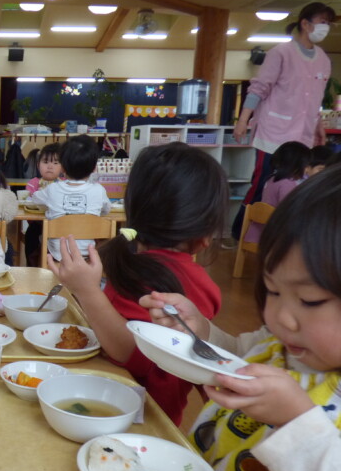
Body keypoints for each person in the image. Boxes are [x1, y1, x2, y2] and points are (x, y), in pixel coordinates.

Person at [140, 166, 341, 471]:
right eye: (272, 291)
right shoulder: (278, 345)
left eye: (310, 300)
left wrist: (297, 422)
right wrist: (199, 331)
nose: (281, 317)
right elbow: (236, 356)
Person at [48, 142, 228, 425]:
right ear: (205, 235)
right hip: (110, 400)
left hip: (139, 418)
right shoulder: (134, 259)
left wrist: (87, 291)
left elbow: (130, 352)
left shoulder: (172, 280)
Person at [231, 2, 336, 241]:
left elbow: (315, 98)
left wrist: (318, 125)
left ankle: (277, 237)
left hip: (303, 136)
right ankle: (240, 233)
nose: (326, 27)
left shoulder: (323, 59)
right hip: (273, 133)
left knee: (295, 186)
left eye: (328, 23)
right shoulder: (281, 53)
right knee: (263, 184)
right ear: (305, 24)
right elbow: (259, 89)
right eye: (322, 22)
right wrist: (242, 120)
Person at [29, 135, 111, 260]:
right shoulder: (99, 190)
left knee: (34, 234)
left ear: (62, 167)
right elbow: (106, 210)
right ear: (94, 168)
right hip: (88, 252)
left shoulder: (53, 189)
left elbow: (35, 199)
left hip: (58, 253)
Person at [243, 141, 309, 245]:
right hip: (273, 238)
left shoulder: (271, 179)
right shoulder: (287, 184)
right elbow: (289, 211)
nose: (307, 169)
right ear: (298, 165)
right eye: (306, 165)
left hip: (258, 233)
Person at [24, 142, 62, 266]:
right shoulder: (33, 183)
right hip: (37, 223)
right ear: (38, 165)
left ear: (63, 167)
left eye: (55, 163)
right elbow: (28, 202)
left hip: (59, 223)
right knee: (31, 234)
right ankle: (32, 265)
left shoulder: (64, 184)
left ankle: (56, 262)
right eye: (45, 162)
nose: (50, 166)